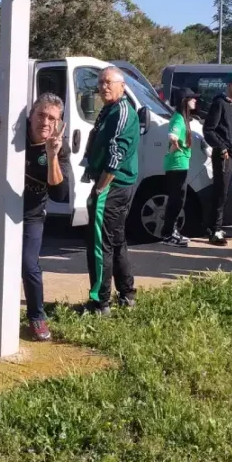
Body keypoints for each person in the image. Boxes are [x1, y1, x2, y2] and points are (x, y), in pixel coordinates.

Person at [0, 94, 70, 340]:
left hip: (31, 212)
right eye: (41, 115)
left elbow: (59, 194)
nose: (45, 122)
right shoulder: (16, 132)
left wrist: (52, 155)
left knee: (29, 265)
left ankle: (36, 317)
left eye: (52, 118)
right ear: (31, 116)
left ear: (59, 123)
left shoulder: (59, 146)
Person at [81, 67, 138, 314]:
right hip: (114, 185)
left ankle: (100, 302)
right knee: (116, 240)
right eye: (100, 83)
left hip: (113, 187)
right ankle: (127, 294)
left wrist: (100, 187)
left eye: (108, 82)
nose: (103, 87)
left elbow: (116, 154)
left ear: (122, 86)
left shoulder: (122, 111)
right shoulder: (110, 109)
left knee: (99, 244)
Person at [202, 72, 232, 245]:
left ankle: (218, 227)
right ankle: (213, 230)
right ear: (230, 85)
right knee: (220, 193)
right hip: (223, 155)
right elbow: (209, 130)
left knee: (225, 193)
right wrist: (221, 147)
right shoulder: (219, 103)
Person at [160, 88, 199, 247]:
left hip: (181, 163)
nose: (195, 100)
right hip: (176, 164)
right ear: (184, 101)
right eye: (192, 98)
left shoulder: (183, 118)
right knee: (176, 200)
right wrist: (174, 142)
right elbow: (172, 134)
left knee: (178, 199)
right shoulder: (177, 118)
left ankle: (172, 231)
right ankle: (168, 234)